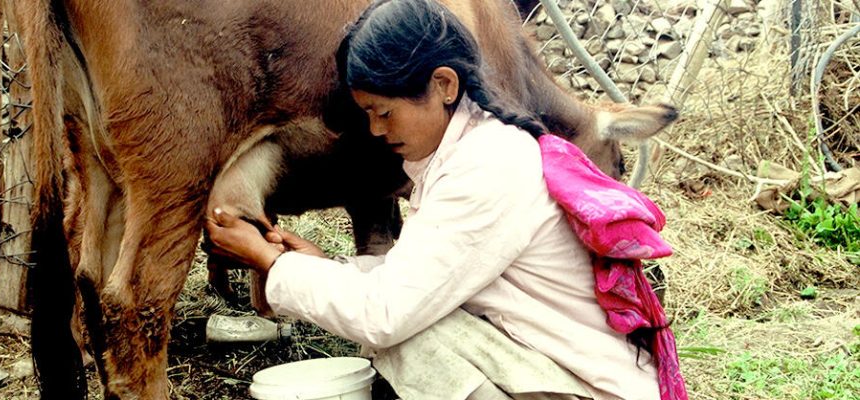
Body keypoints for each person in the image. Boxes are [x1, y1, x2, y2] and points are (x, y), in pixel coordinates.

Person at [207, 0, 687, 399]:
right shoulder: (465, 152)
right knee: (415, 322)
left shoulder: (488, 167)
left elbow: (387, 314)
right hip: (551, 361)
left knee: (414, 339)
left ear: (443, 86)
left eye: (382, 112)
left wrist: (270, 260)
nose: (375, 130)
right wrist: (325, 265)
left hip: (587, 387)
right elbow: (426, 276)